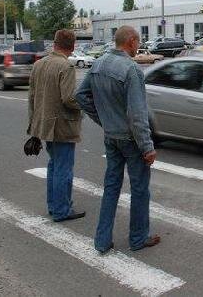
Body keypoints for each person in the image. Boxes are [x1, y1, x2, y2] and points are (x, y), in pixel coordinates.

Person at [75, 26, 160, 254]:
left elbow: (81, 96)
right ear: (131, 41)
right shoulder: (132, 70)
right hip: (131, 140)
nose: (138, 46)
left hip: (111, 137)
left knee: (111, 187)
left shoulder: (99, 64)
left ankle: (102, 241)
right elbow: (137, 114)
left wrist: (103, 119)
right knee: (140, 188)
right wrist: (148, 147)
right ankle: (138, 237)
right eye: (138, 42)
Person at [28, 29, 85, 222]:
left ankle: (54, 206)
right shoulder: (66, 66)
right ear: (73, 46)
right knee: (63, 169)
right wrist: (84, 104)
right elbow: (69, 99)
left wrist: (33, 127)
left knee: (54, 166)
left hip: (44, 125)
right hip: (62, 126)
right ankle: (62, 210)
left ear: (54, 43)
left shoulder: (38, 64)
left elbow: (32, 98)